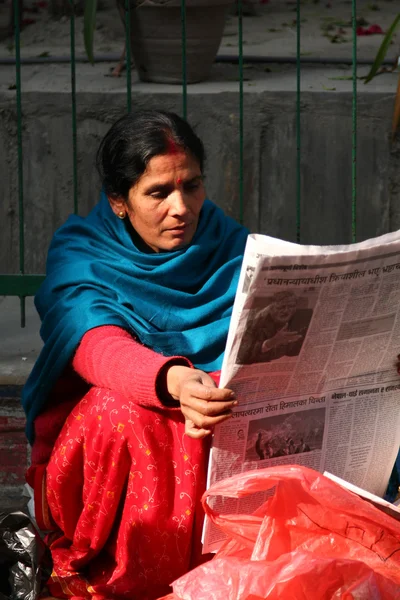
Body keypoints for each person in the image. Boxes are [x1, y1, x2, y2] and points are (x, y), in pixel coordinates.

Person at [21, 110, 249, 600]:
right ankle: (131, 578)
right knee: (121, 410)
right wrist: (174, 383)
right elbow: (97, 344)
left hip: (208, 438)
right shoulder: (80, 253)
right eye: (158, 192)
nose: (181, 207)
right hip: (106, 475)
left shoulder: (227, 243)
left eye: (191, 185)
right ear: (119, 202)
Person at [236, 291, 312, 364]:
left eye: (291, 306)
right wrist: (271, 342)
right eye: (281, 307)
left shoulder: (300, 321)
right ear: (271, 308)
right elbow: (243, 356)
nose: (286, 311)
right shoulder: (255, 322)